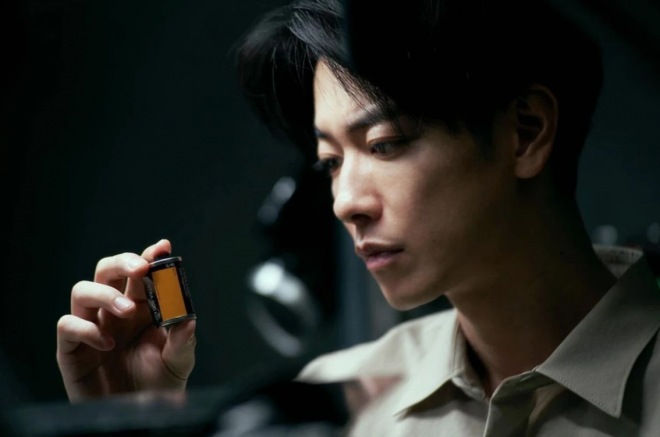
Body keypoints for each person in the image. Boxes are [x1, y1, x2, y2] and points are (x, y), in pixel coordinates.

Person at [56, 0, 660, 435]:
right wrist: (143, 421)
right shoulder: (336, 405)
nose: (345, 201)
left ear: (524, 132)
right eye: (329, 162)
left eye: (385, 143)